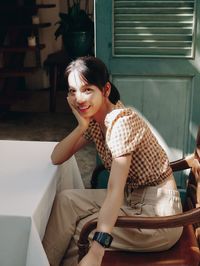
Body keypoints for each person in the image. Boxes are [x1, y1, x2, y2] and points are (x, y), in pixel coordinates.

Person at [42, 56, 200, 266]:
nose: (78, 98)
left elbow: (115, 190)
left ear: (105, 90)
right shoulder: (95, 121)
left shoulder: (121, 124)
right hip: (133, 198)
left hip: (158, 219)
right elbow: (56, 157)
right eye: (72, 91)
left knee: (79, 232)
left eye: (87, 89)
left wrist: (97, 251)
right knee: (66, 202)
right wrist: (81, 126)